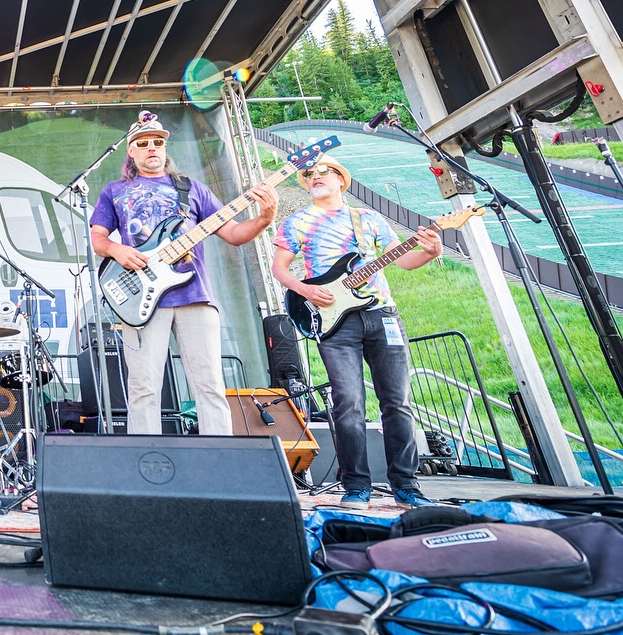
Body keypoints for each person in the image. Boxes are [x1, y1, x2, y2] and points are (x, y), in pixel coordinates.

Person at [269, 153, 442, 509]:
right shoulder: (297, 222)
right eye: (309, 175)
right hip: (334, 320)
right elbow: (280, 269)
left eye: (322, 172)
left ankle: (406, 486)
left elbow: (405, 260)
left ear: (340, 180)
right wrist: (305, 290)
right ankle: (356, 486)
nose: (314, 177)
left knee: (397, 403)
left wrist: (429, 251)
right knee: (348, 403)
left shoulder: (368, 219)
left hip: (382, 315)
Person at [88, 112, 278, 435]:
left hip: (195, 296)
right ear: (130, 151)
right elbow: (98, 238)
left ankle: (217, 466)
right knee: (144, 388)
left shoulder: (192, 190)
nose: (152, 148)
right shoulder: (114, 191)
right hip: (142, 302)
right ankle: (148, 468)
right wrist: (118, 250)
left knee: (210, 386)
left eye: (158, 142)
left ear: (165, 148)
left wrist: (264, 218)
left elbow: (233, 233)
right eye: (143, 143)